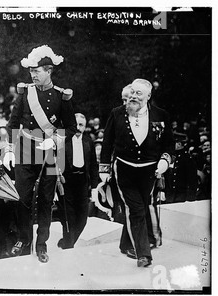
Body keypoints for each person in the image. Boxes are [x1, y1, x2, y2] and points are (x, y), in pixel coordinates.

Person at [4, 45, 77, 263]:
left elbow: (71, 127)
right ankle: (24, 239)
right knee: (22, 198)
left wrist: (54, 140)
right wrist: (9, 148)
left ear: (49, 71)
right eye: (31, 71)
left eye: (37, 71)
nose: (33, 75)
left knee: (46, 200)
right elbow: (12, 124)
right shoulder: (26, 93)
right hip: (25, 150)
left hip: (50, 154)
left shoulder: (61, 97)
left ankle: (41, 244)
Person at [99, 79, 174, 268]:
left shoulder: (161, 115)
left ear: (148, 97)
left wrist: (165, 160)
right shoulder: (117, 113)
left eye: (138, 93)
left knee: (141, 206)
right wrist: (104, 169)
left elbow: (169, 145)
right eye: (132, 92)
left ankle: (126, 244)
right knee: (136, 209)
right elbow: (107, 142)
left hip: (149, 172)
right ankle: (143, 254)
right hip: (124, 170)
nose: (133, 96)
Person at [57, 112, 99, 249]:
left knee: (82, 218)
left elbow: (93, 165)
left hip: (82, 183)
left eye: (81, 125)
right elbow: (54, 162)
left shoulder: (88, 142)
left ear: (85, 127)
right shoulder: (63, 141)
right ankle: (68, 247)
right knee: (68, 217)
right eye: (76, 124)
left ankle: (68, 241)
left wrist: (94, 187)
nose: (78, 127)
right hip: (66, 182)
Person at [163, 132, 198, 203]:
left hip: (182, 196)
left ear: (179, 144)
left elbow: (192, 180)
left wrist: (190, 197)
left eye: (175, 143)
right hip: (170, 196)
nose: (173, 146)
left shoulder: (188, 159)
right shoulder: (172, 157)